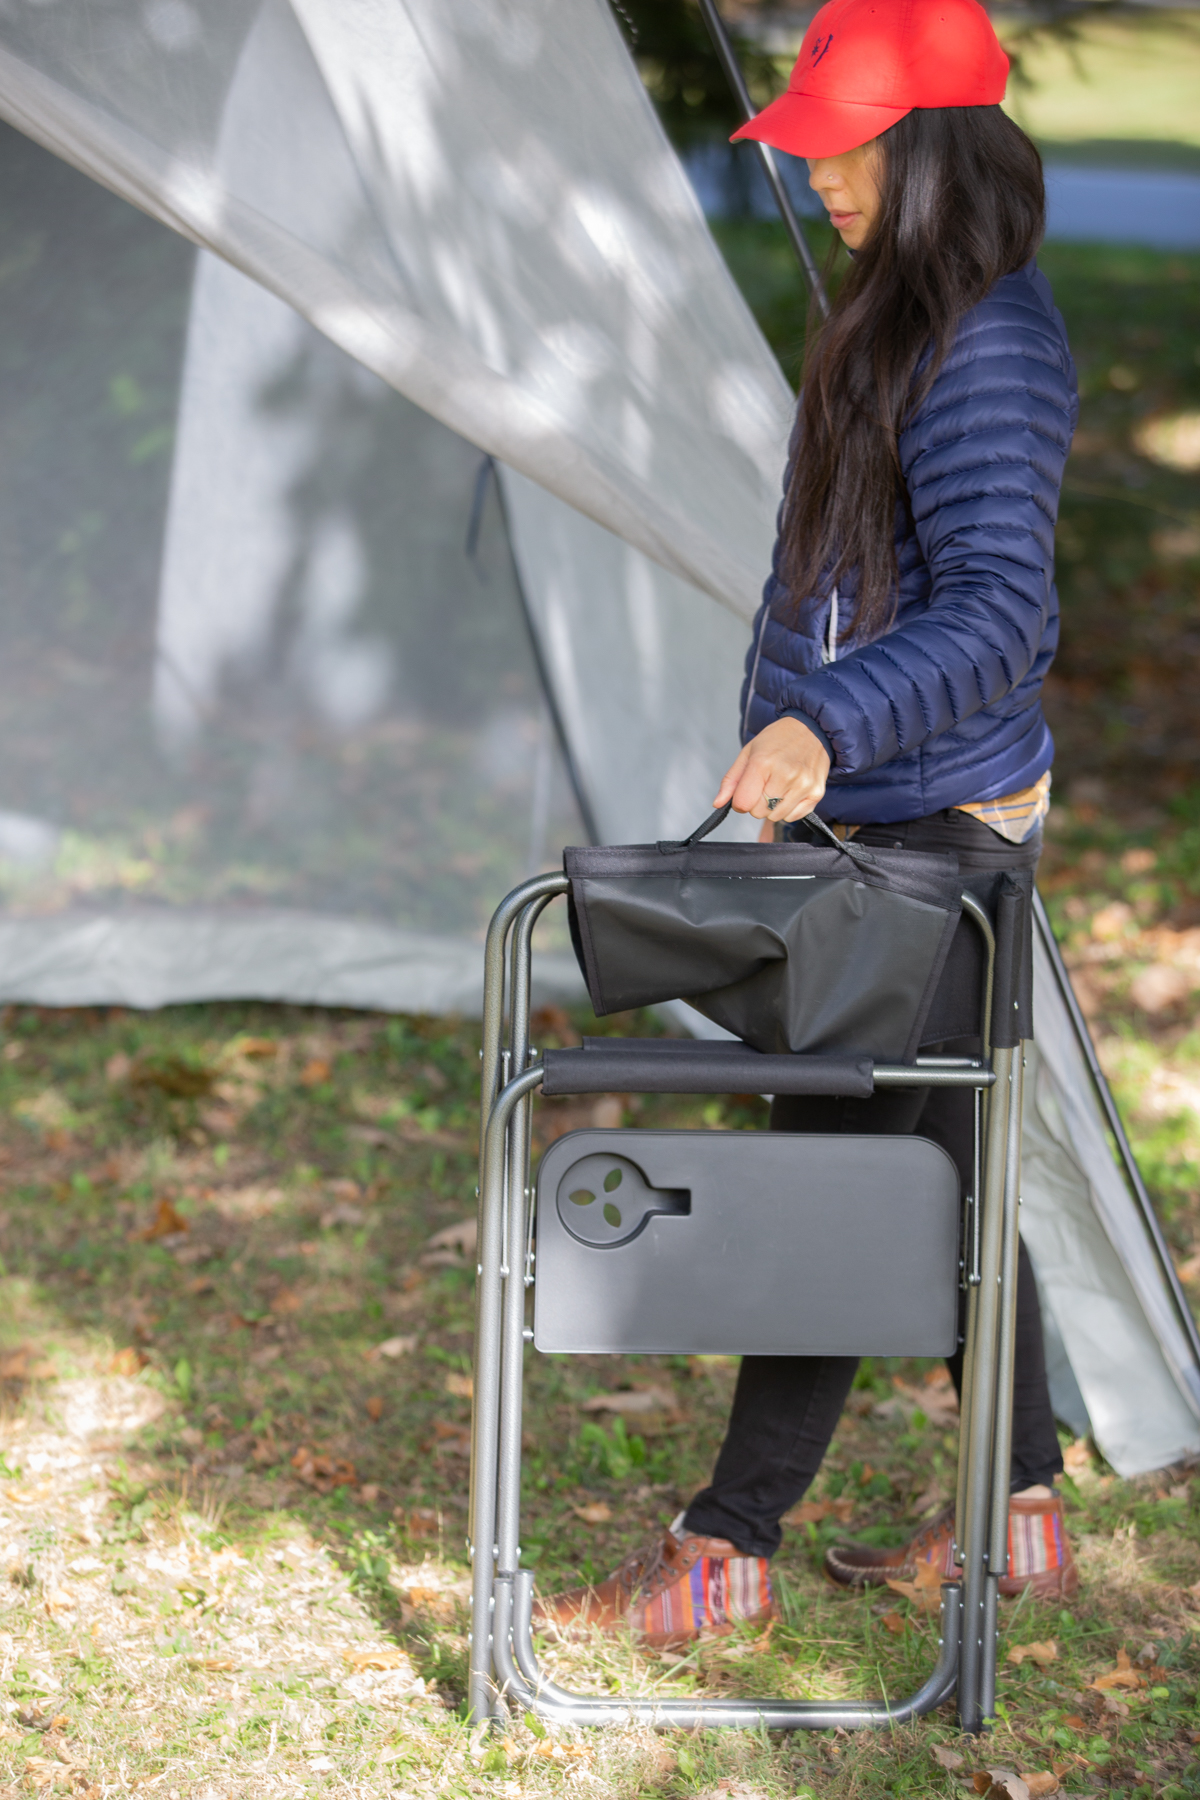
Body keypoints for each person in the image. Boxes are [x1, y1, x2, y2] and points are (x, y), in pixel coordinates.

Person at [535, 0, 1080, 1650]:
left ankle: (726, 1545)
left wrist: (822, 725)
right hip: (895, 810)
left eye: (852, 134)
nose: (820, 165)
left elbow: (1000, 611)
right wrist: (806, 739)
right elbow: (850, 587)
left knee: (836, 1183)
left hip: (933, 838)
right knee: (949, 1165)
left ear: (935, 146)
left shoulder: (987, 339)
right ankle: (1020, 1508)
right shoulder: (909, 312)